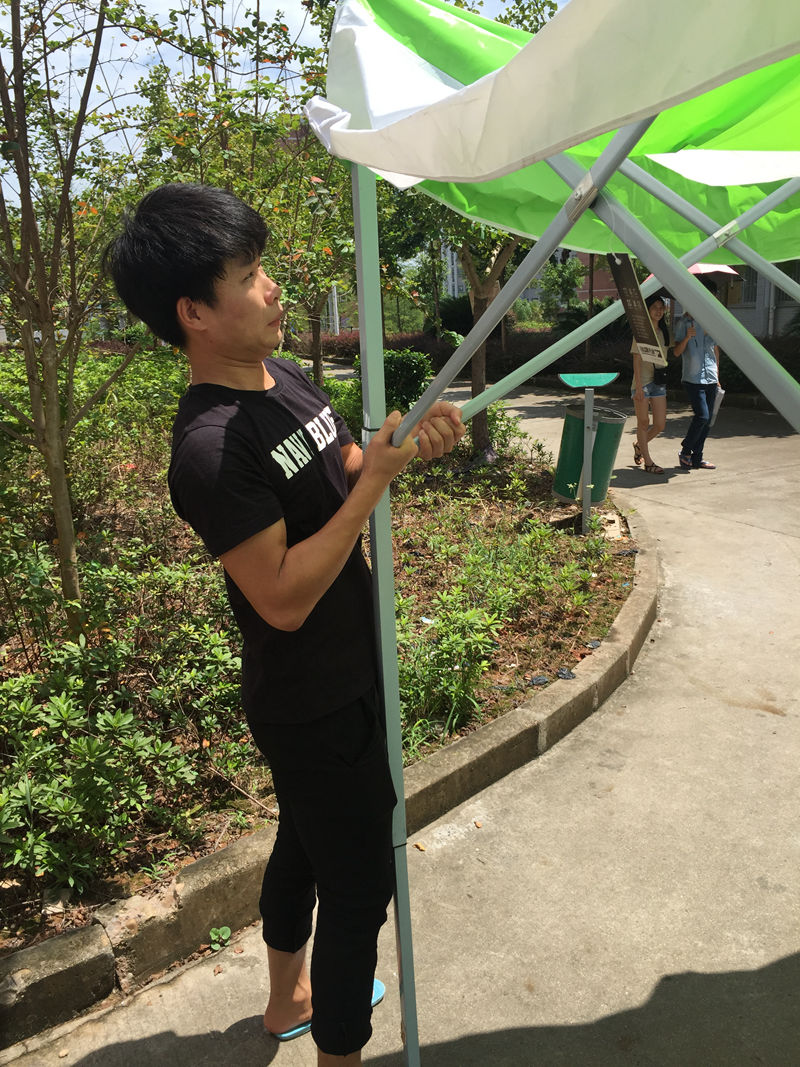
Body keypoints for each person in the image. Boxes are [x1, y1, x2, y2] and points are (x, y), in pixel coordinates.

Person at [105, 182, 465, 1067]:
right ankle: (339, 1050)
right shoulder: (211, 448)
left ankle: (285, 999)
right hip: (312, 699)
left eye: (260, 267)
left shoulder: (285, 377)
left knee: (304, 842)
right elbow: (280, 595)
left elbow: (342, 464)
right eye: (248, 276)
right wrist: (372, 487)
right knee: (360, 885)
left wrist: (397, 448)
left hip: (352, 666)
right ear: (194, 312)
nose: (272, 288)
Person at [673, 277, 721, 470]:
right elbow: (676, 352)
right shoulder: (685, 322)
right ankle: (685, 451)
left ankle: (697, 458)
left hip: (711, 377)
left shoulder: (714, 321)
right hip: (693, 378)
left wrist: (718, 376)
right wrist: (687, 337)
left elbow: (715, 350)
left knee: (708, 421)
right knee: (702, 416)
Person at [630, 293, 671, 475]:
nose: (658, 311)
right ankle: (648, 462)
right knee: (643, 422)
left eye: (661, 308)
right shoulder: (641, 332)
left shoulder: (664, 332)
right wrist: (638, 387)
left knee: (660, 424)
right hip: (643, 383)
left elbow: (671, 354)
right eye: (654, 307)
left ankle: (639, 445)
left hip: (659, 383)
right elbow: (636, 359)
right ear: (647, 310)